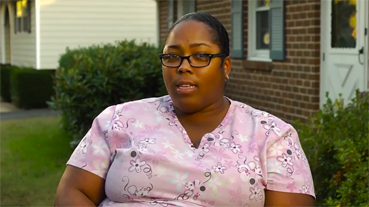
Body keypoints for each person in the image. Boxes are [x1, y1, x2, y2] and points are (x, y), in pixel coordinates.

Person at [55, 12, 315, 207]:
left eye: (201, 56)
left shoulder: (273, 137)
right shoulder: (118, 120)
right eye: (172, 56)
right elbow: (72, 192)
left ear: (225, 67)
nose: (183, 66)